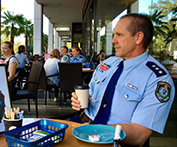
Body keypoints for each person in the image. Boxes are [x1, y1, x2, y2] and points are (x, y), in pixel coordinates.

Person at [70, 13, 175, 146]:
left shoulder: (157, 79)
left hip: (114, 139)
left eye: (119, 35)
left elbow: (139, 135)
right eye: (114, 35)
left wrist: (94, 130)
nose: (113, 40)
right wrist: (80, 100)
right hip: (81, 123)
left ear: (138, 38)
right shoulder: (109, 62)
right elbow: (91, 93)